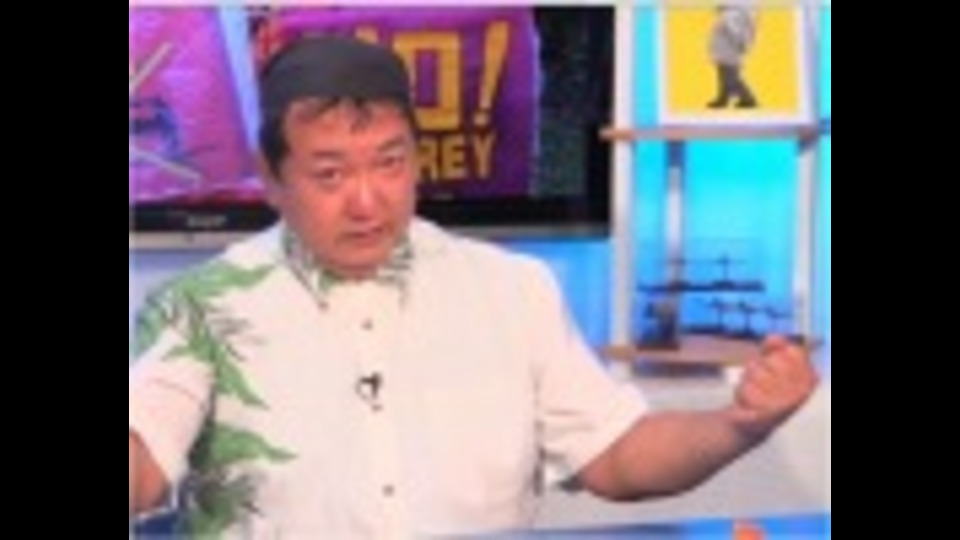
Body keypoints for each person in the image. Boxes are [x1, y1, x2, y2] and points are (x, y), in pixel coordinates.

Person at [129, 35, 819, 538]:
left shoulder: (513, 291)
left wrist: (739, 424)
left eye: (390, 163)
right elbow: (145, 469)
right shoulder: (198, 306)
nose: (367, 201)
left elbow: (616, 457)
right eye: (330, 174)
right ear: (272, 178)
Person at [707, 5, 759, 109]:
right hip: (725, 49)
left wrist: (741, 44)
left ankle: (748, 99)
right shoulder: (731, 15)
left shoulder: (731, 15)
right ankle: (723, 99)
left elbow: (735, 31)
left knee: (730, 77)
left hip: (729, 49)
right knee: (723, 75)